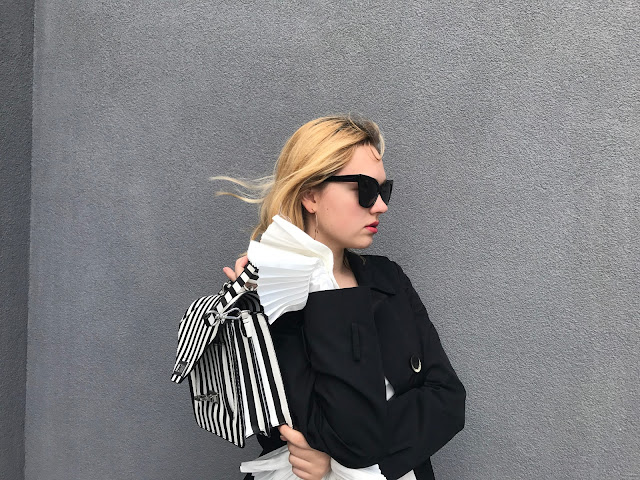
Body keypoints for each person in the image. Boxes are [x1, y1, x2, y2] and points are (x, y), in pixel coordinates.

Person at [217, 115, 465, 480]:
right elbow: (301, 423)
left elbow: (448, 400)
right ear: (310, 194)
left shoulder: (388, 279)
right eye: (364, 189)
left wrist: (339, 463)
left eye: (383, 190)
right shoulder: (269, 296)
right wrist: (298, 284)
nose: (380, 206)